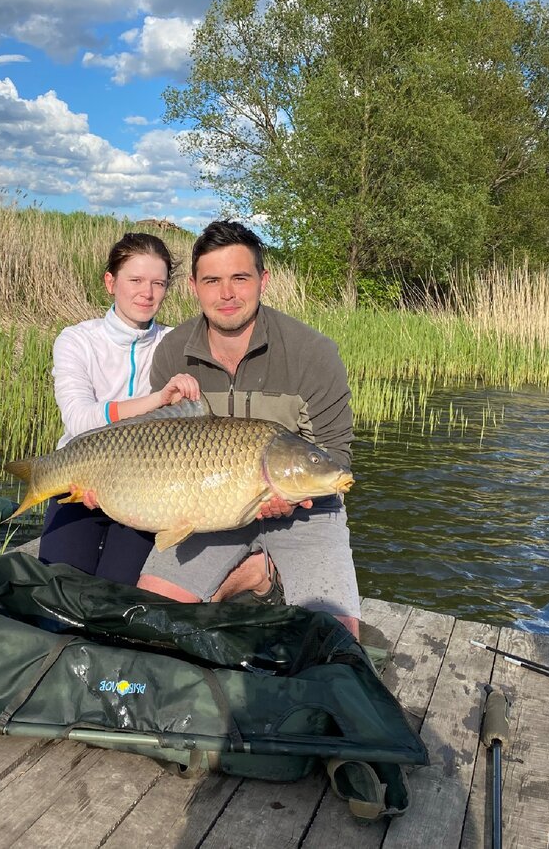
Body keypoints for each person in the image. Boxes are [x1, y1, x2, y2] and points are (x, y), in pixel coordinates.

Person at [135, 221, 362, 638]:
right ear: (193, 286)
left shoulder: (313, 352)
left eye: (240, 278)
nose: (226, 294)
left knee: (334, 637)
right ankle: (260, 576)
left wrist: (292, 498)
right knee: (153, 617)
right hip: (208, 508)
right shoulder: (173, 351)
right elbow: (158, 439)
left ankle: (264, 573)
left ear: (263, 280)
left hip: (306, 510)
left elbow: (335, 457)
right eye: (212, 281)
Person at [38, 232, 199, 583]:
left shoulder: (176, 344)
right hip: (78, 479)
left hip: (147, 491)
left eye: (158, 283)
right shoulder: (77, 339)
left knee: (119, 596)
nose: (148, 292)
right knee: (59, 589)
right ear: (111, 282)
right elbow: (80, 421)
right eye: (136, 280)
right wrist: (156, 400)